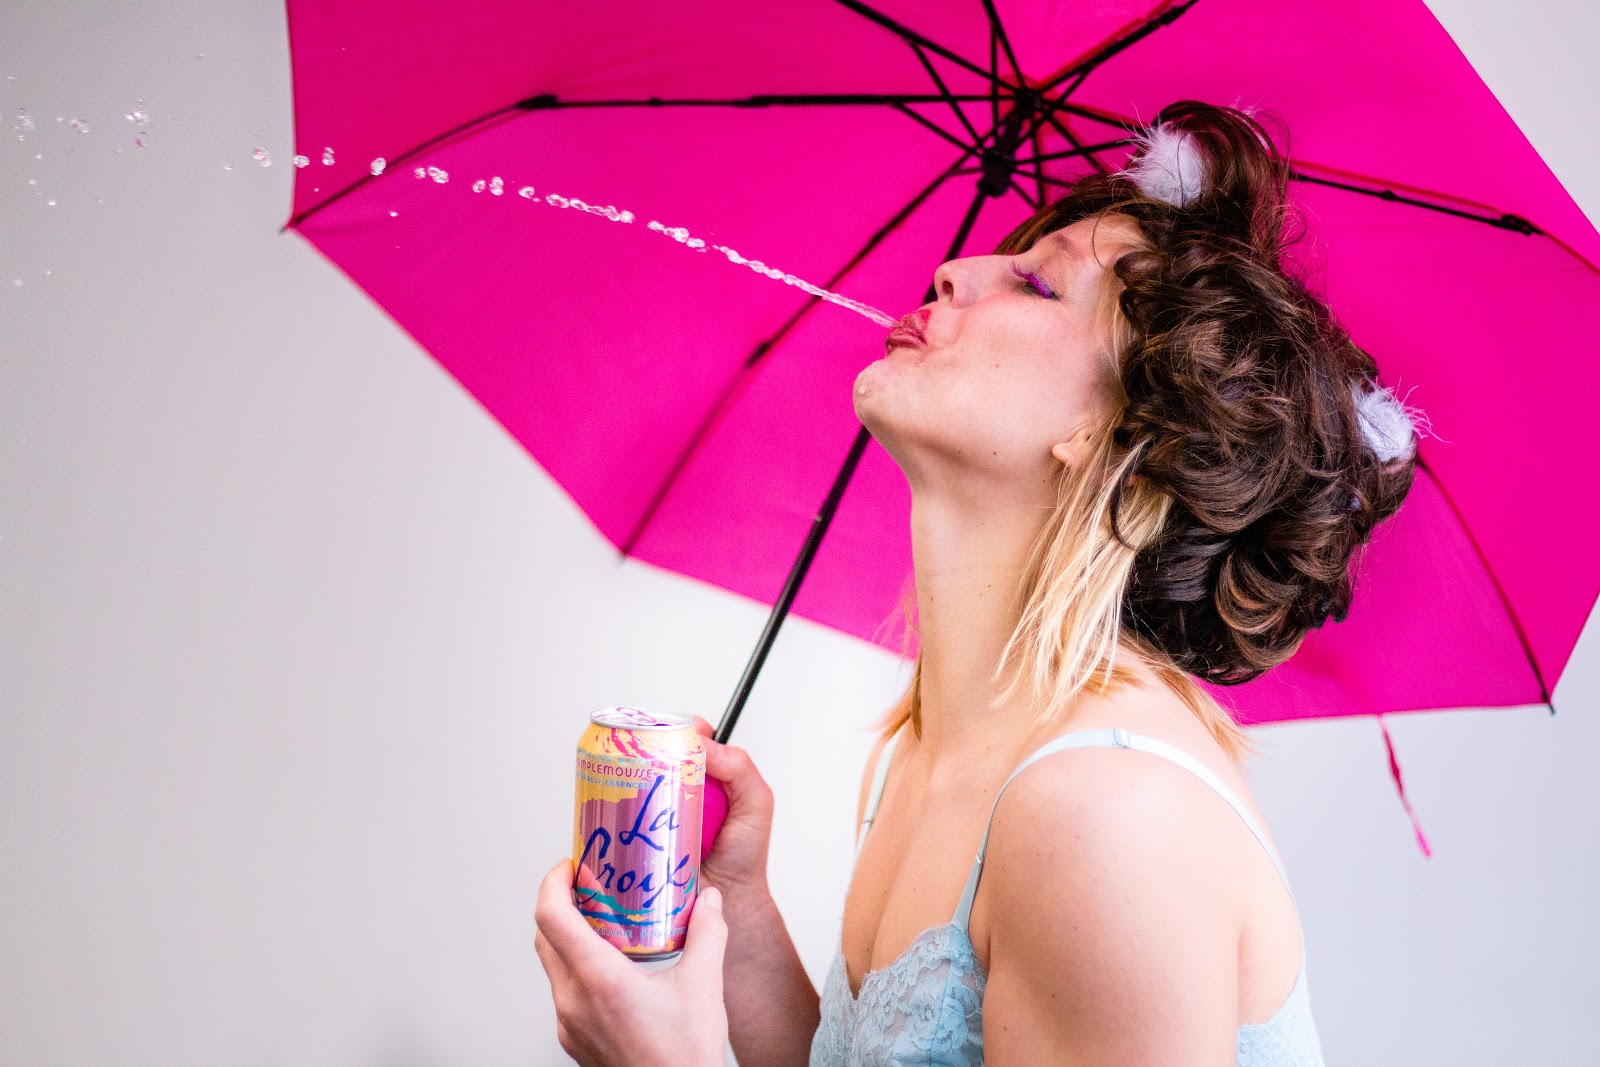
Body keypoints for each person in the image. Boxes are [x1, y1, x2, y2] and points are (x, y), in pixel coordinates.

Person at [534, 99, 1420, 1066]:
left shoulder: (1106, 815)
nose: (954, 270)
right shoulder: (932, 749)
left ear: (1115, 437)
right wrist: (738, 915)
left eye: (1037, 285)